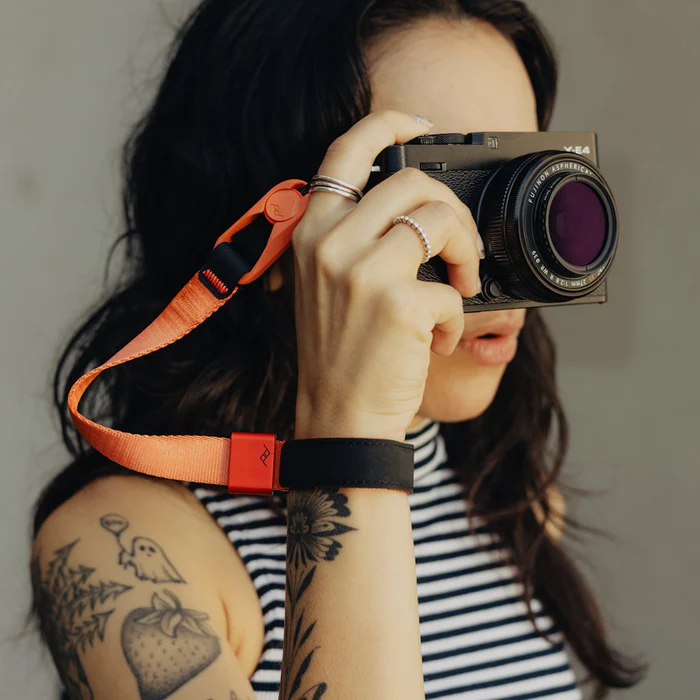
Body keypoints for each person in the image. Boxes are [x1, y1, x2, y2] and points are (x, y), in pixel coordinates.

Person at [30, 1, 644, 698]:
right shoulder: (120, 551)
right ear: (274, 233)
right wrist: (354, 433)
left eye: (520, 177)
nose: (502, 251)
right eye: (443, 189)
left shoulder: (510, 495)